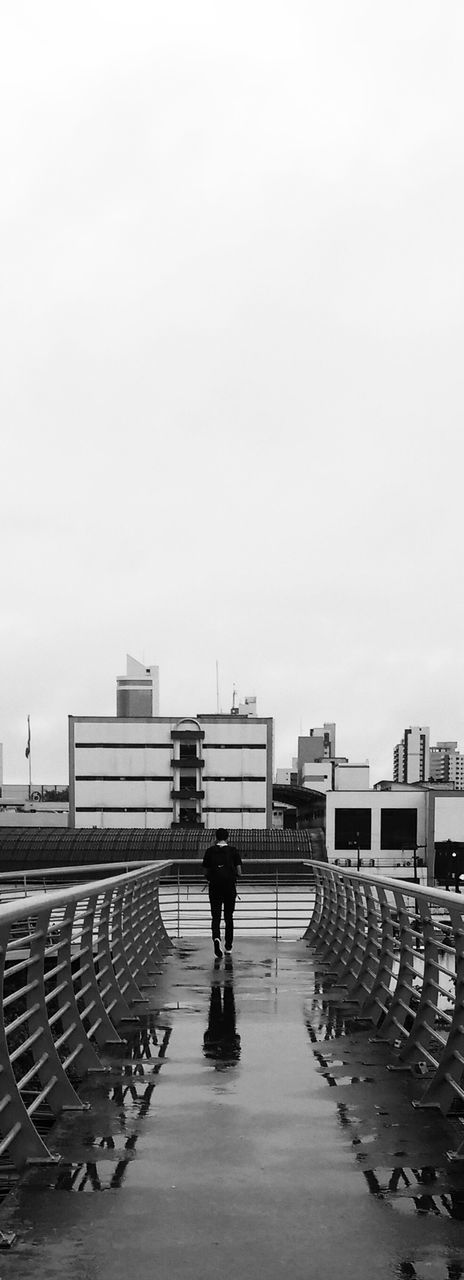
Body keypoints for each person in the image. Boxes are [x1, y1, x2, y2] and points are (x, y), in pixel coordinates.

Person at [202, 827, 242, 958]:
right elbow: (239, 872)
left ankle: (216, 938)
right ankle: (228, 946)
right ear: (228, 838)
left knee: (216, 916)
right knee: (229, 917)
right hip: (229, 887)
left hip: (214, 887)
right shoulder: (233, 851)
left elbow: (205, 872)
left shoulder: (209, 851)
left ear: (216, 838)